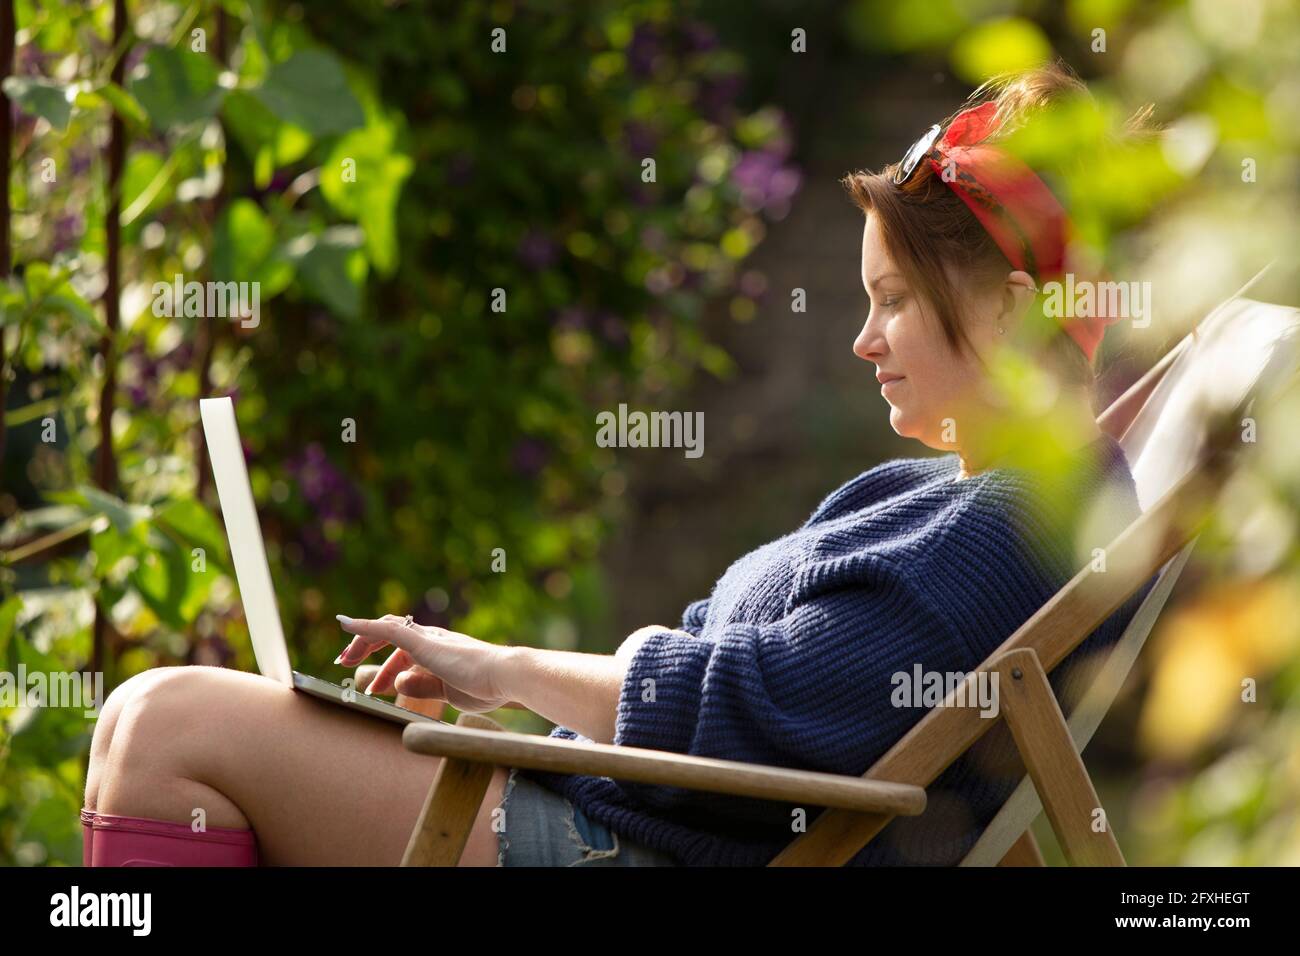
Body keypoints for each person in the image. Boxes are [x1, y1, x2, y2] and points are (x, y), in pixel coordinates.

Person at [81, 61, 1157, 867]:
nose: (862, 341)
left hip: (640, 850)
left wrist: (498, 666)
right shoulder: (937, 498)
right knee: (147, 715)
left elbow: (755, 708)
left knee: (172, 723)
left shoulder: (1023, 519)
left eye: (892, 302)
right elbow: (736, 693)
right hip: (617, 807)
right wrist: (533, 716)